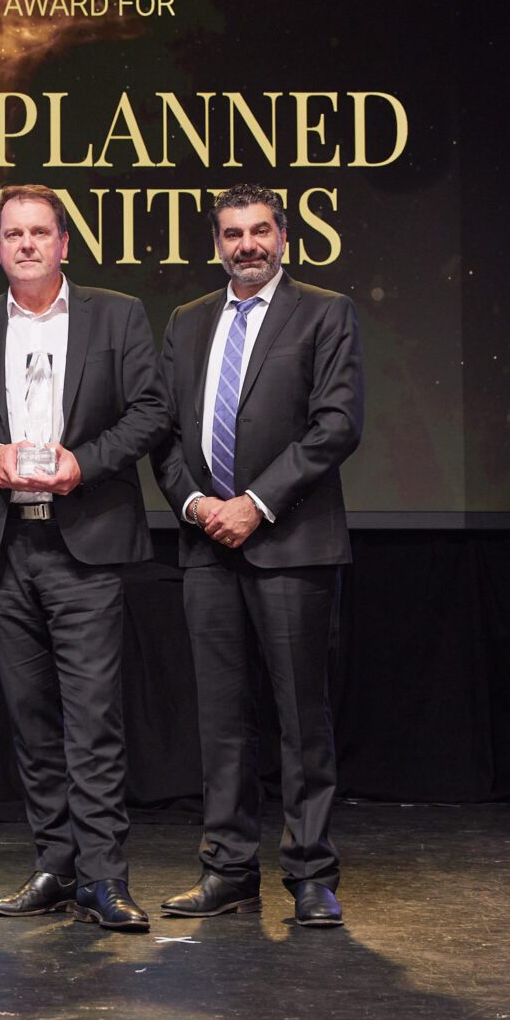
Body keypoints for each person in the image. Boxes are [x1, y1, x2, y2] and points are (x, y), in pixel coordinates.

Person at [0, 184, 169, 933]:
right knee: (31, 718)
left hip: (86, 541)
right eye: (14, 234)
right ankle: (56, 865)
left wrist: (85, 462)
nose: (27, 244)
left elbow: (151, 410)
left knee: (93, 719)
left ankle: (104, 877)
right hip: (3, 543)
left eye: (40, 232)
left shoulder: (117, 314)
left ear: (64, 243)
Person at [152, 183, 362, 928]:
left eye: (261, 230)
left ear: (284, 237)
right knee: (221, 721)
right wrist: (195, 504)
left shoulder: (325, 312)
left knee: (302, 719)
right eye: (233, 233)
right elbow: (163, 432)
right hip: (206, 544)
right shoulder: (187, 321)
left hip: (291, 542)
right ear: (217, 244)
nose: (248, 244)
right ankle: (228, 869)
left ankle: (310, 874)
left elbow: (336, 425)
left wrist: (256, 503)